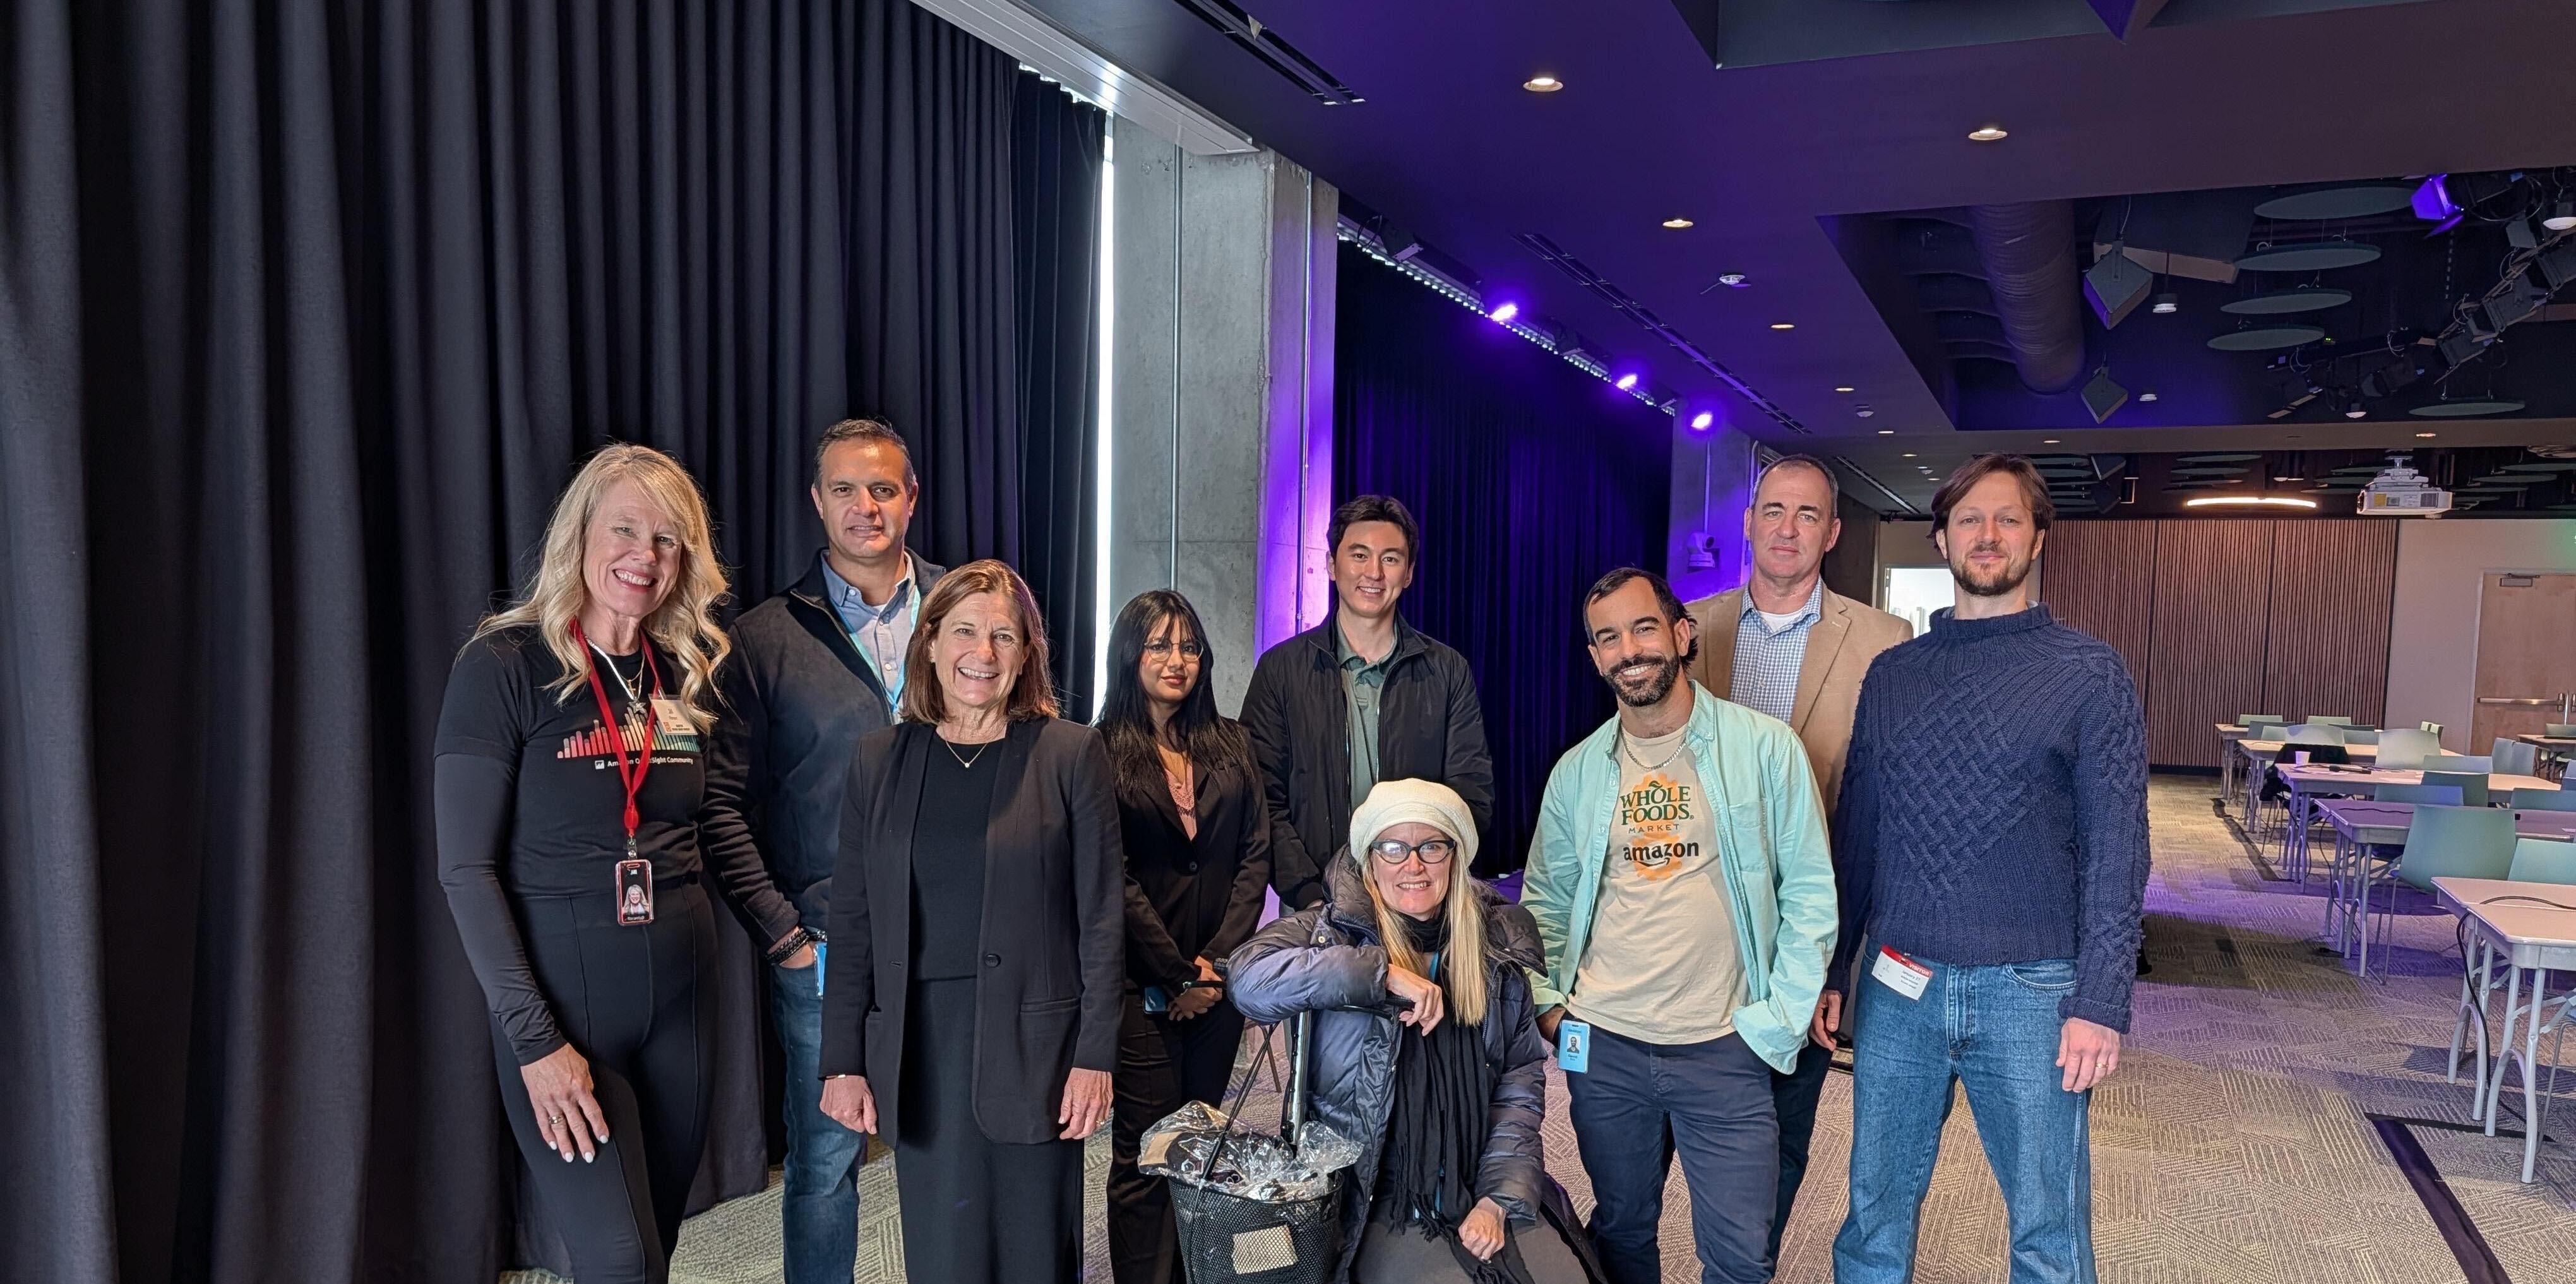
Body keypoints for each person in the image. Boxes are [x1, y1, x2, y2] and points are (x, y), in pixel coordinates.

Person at [435, 444, 808, 1284]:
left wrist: (788, 935)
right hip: (564, 1018)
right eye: (626, 529)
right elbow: (464, 869)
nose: (645, 556)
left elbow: (710, 819)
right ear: (581, 535)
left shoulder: (680, 670)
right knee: (619, 1261)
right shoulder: (504, 666)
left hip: (684, 1010)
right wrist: (536, 1040)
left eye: (669, 539)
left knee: (655, 1249)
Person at [1825, 454, 2149, 1284]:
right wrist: (1835, 965)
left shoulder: (2088, 671)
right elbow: (1858, 834)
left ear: (2038, 538)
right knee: (1873, 1218)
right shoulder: (1894, 675)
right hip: (1899, 986)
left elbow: (2119, 849)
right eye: (1970, 518)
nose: (1989, 534)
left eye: (2009, 518)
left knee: (2047, 1228)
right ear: (1941, 536)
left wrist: (2101, 1001)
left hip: (2035, 991)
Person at [1524, 567, 1839, 1284]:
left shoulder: (1766, 749)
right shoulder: (1576, 772)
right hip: (1606, 1046)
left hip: (1726, 1045)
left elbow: (1810, 897)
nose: (1628, 650)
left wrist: (1777, 1019)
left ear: (1681, 634)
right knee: (1623, 1233)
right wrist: (1550, 1009)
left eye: (1643, 628)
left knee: (1739, 1256)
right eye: (1608, 638)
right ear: (1596, 656)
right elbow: (1542, 901)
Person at [814, 559, 1123, 1284]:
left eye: (1003, 637)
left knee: (1034, 1257)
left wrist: (1095, 1056)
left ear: (1025, 657)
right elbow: (852, 917)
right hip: (924, 1050)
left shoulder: (1071, 755)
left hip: (1038, 1049)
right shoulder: (878, 762)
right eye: (964, 632)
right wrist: (842, 1059)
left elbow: (1103, 919)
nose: (981, 654)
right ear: (929, 644)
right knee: (944, 1258)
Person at [699, 417, 944, 1284]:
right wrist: (784, 934)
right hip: (826, 946)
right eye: (845, 488)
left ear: (912, 497)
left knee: (947, 1158)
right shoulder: (765, 638)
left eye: (883, 488)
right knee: (825, 1167)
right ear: (816, 500)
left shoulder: (966, 609)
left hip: (954, 940)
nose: (865, 507)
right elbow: (720, 806)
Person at [1683, 454, 1909, 1259]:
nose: (1787, 529)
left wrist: (1841, 965)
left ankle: (1748, 1269)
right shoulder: (1688, 628)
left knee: (1780, 1129)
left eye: (1807, 514)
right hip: (1694, 927)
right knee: (1669, 1125)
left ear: (1834, 532)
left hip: (1809, 928)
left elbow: (1878, 819)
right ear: (1746, 521)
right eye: (1773, 510)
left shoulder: (1887, 642)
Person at [1229, 780, 1588, 1284]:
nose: (1413, 865)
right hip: (1373, 1195)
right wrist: (1379, 973)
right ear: (1370, 859)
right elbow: (1247, 979)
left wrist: (1499, 1197)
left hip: (1476, 1178)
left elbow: (1518, 1085)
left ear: (1455, 857)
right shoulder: (1330, 933)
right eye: (1394, 847)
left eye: (1432, 847)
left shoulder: (1495, 948)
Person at [1095, 590, 1273, 1284]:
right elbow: (1113, 875)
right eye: (1161, 645)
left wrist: (1218, 967)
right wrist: (1176, 975)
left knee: (1198, 1144)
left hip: (1217, 988)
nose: (1178, 660)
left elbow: (1254, 856)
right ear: (1129, 655)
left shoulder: (1232, 742)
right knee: (1145, 1156)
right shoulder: (1097, 750)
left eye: (1190, 646)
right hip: (1140, 986)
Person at [1241, 494, 1494, 909]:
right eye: (1359, 555)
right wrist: (1308, 893)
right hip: (1316, 906)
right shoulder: (1281, 670)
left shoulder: (1448, 671)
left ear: (1409, 573)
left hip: (1420, 902)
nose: (1373, 572)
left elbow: (1471, 793)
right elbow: (1261, 798)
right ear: (1331, 564)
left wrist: (1424, 874)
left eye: (1391, 559)